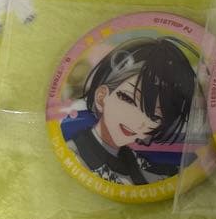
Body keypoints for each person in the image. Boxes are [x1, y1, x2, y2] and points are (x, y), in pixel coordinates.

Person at [66, 37, 197, 185]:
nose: (138, 121)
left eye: (154, 116)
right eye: (128, 99)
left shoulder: (149, 168)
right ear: (102, 97)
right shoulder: (74, 155)